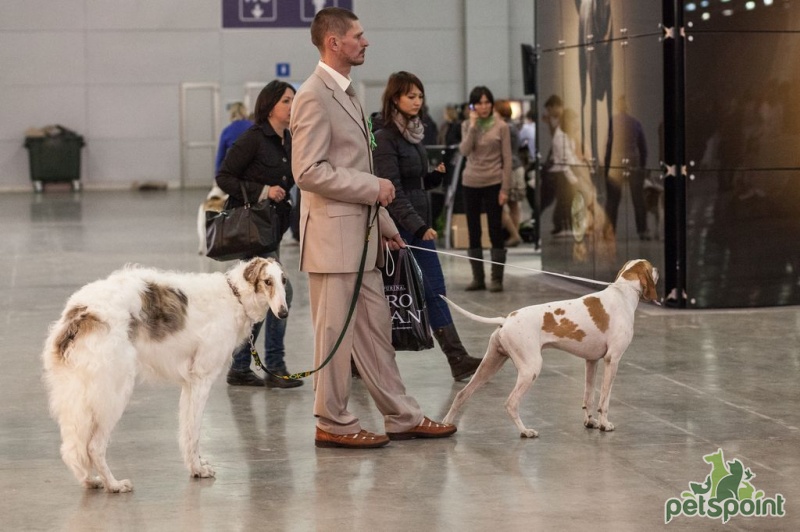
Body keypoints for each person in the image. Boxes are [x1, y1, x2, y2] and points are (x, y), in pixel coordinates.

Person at [290, 7, 456, 449]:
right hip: (331, 240)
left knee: (375, 331)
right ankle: (331, 421)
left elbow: (352, 165)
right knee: (334, 336)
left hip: (362, 238)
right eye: (359, 36)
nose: (366, 42)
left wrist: (384, 223)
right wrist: (373, 187)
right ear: (334, 43)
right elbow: (308, 172)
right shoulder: (312, 95)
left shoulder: (347, 93)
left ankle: (402, 416)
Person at [373, 71, 483, 382]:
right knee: (386, 297)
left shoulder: (413, 134)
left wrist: (431, 177)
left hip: (416, 225)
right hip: (398, 230)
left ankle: (457, 357)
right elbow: (391, 191)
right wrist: (418, 227)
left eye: (420, 96)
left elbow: (411, 180)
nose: (417, 101)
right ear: (395, 98)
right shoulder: (384, 138)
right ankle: (360, 360)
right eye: (411, 96)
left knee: (435, 289)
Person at [216, 81, 303, 389]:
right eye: (287, 101)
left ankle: (240, 366)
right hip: (252, 229)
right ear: (269, 106)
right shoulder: (252, 138)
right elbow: (224, 176)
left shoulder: (289, 139)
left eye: (294, 100)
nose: (292, 106)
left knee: (256, 296)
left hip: (272, 227)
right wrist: (263, 190)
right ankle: (274, 366)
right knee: (281, 292)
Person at [458, 85, 512, 292]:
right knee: (473, 230)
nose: (484, 106)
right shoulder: (466, 125)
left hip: (494, 181)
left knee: (495, 229)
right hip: (470, 181)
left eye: (487, 102)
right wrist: (472, 126)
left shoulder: (501, 126)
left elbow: (507, 159)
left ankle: (496, 279)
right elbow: (464, 151)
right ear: (472, 106)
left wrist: (505, 188)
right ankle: (477, 278)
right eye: (479, 103)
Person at [603, 95, 649, 240]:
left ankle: (610, 230)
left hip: (616, 162)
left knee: (613, 200)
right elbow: (643, 146)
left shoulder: (613, 121)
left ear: (617, 106)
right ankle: (642, 231)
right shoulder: (635, 123)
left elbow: (609, 145)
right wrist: (642, 165)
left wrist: (606, 166)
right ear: (627, 106)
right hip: (633, 162)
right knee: (638, 199)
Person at [494, 100, 525, 247]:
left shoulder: (503, 127)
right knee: (514, 204)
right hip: (516, 166)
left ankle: (514, 234)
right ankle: (515, 234)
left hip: (508, 168)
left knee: (498, 204)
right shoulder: (514, 126)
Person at [215, 102, 253, 173]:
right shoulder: (254, 127)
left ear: (232, 114)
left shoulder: (227, 131)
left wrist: (218, 175)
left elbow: (220, 156)